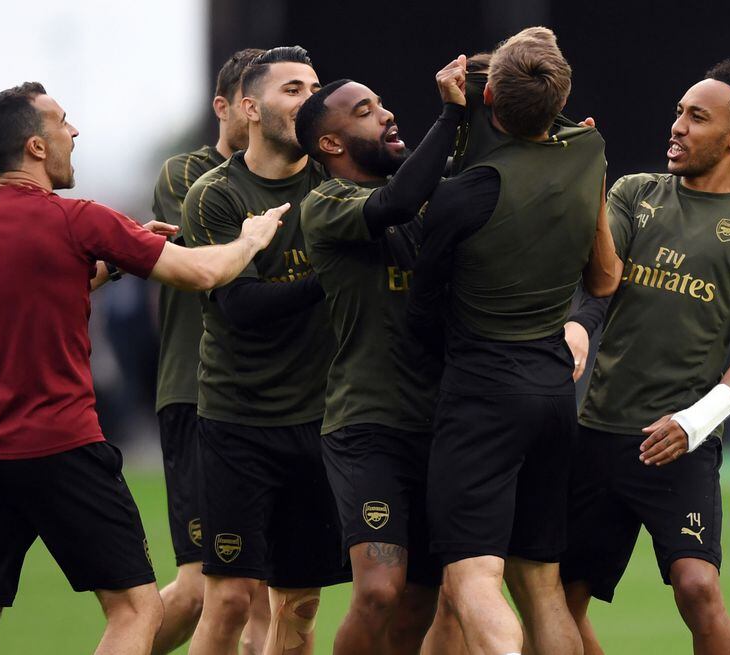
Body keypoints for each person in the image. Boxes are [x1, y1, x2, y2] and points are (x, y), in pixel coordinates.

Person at [0, 81, 285, 655]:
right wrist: (250, 240)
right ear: (36, 146)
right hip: (62, 447)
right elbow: (202, 272)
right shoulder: (78, 220)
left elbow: (39, 287)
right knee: (136, 609)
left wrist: (117, 260)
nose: (73, 132)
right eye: (61, 122)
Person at [561, 60, 730, 655]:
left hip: (681, 440)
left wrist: (695, 423)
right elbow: (602, 280)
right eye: (678, 113)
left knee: (697, 588)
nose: (678, 126)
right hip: (597, 432)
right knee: (561, 600)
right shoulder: (635, 193)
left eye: (697, 117)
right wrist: (592, 186)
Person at [407, 27, 621, 655]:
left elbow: (421, 314)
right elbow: (605, 279)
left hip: (481, 395)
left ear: (486, 97)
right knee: (542, 585)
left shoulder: (460, 195)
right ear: (563, 100)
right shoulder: (590, 150)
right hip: (555, 394)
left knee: (472, 578)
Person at [181, 46, 350, 655]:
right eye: (293, 89)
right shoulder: (215, 194)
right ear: (251, 109)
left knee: (299, 605)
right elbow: (241, 306)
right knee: (228, 600)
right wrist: (334, 276)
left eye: (315, 88)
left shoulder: (336, 183)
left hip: (320, 419)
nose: (310, 99)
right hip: (239, 421)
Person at [296, 58, 466, 654]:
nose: (388, 114)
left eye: (382, 104)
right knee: (378, 590)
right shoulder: (327, 202)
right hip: (368, 425)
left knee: (422, 598)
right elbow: (394, 202)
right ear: (330, 143)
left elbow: (471, 171)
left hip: (441, 424)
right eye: (366, 111)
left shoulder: (424, 192)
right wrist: (451, 114)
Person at [148, 47, 273, 655]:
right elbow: (216, 264)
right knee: (203, 589)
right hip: (196, 391)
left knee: (272, 594)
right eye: (249, 101)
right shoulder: (188, 176)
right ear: (226, 106)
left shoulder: (303, 175)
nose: (259, 112)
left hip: (279, 399)